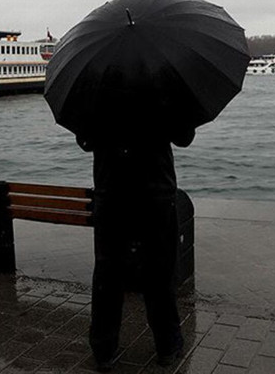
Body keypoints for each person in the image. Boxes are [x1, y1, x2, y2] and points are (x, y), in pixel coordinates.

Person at [78, 127, 194, 371]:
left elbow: (85, 140)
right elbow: (185, 136)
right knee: (160, 273)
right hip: (156, 192)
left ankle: (103, 350)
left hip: (111, 192)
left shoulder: (97, 93)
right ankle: (168, 346)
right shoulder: (162, 90)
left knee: (108, 276)